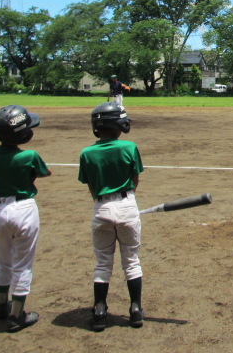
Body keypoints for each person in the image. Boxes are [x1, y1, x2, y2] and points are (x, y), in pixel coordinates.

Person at [78, 102, 145, 332]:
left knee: (103, 263)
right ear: (118, 124)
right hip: (127, 204)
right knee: (131, 261)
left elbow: (91, 186)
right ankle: (135, 309)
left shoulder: (86, 153)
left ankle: (99, 311)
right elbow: (135, 181)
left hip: (101, 208)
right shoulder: (129, 147)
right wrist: (126, 204)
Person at [0, 105, 52, 332]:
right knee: (22, 265)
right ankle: (16, 316)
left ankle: (2, 307)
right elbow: (46, 172)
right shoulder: (29, 155)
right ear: (23, 135)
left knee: (3, 260)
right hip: (23, 210)